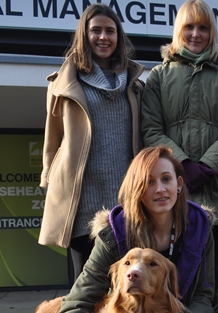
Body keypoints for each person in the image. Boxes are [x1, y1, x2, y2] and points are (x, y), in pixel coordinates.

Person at [57, 145, 218, 313]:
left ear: (179, 184)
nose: (160, 189)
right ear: (137, 189)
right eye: (149, 182)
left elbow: (204, 294)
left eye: (166, 179)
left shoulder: (200, 227)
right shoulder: (113, 233)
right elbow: (79, 300)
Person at [140, 0, 218, 304]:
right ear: (178, 30)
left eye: (203, 27)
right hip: (176, 188)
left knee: (210, 279)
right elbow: (150, 129)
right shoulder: (159, 76)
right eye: (189, 27)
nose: (196, 34)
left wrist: (207, 165)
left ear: (211, 32)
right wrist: (182, 165)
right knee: (173, 272)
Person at [38, 3, 145, 282]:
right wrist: (49, 180)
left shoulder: (134, 84)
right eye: (95, 30)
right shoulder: (63, 83)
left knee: (125, 284)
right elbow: (52, 141)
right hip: (80, 199)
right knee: (85, 285)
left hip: (125, 200)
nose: (103, 37)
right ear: (84, 35)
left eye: (110, 31)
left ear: (119, 37)